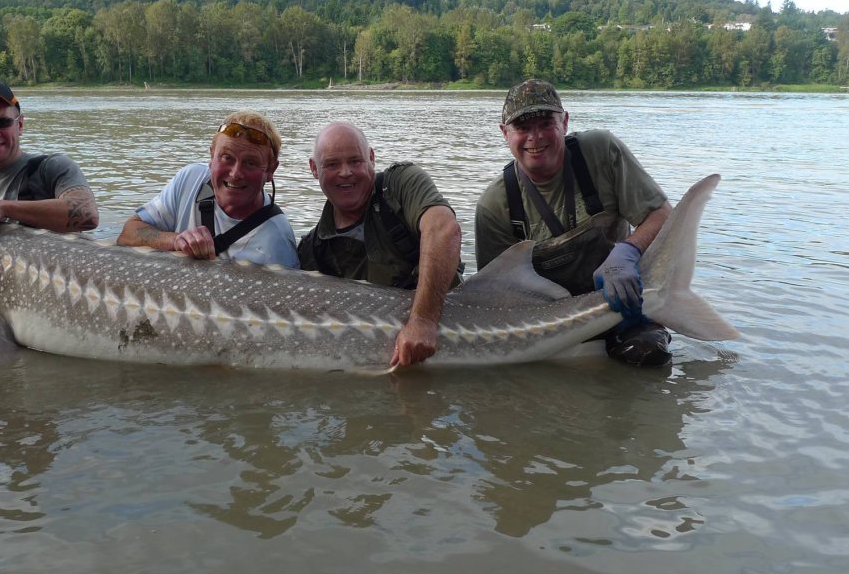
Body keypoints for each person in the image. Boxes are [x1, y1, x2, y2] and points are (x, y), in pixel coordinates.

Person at [473, 80, 674, 367]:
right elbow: (492, 296)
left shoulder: (600, 152)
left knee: (648, 355)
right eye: (522, 128)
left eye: (546, 123)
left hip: (624, 304)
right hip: (543, 328)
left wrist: (627, 252)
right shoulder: (495, 204)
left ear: (565, 122)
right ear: (505, 133)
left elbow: (662, 214)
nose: (535, 137)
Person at [299, 122, 464, 368]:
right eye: (332, 164)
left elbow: (444, 230)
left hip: (451, 323)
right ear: (314, 168)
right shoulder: (312, 250)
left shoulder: (399, 184)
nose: (345, 172)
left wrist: (423, 321)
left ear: (372, 158)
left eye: (355, 161)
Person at [116, 110, 298, 268]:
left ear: (270, 171)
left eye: (250, 163)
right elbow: (128, 234)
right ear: (212, 156)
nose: (235, 174)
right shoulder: (191, 179)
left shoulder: (276, 242)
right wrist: (176, 240)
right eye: (227, 158)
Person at [0, 79, 99, 249]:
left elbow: (87, 215)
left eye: (2, 122)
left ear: (20, 124)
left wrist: (1, 208)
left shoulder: (51, 168)